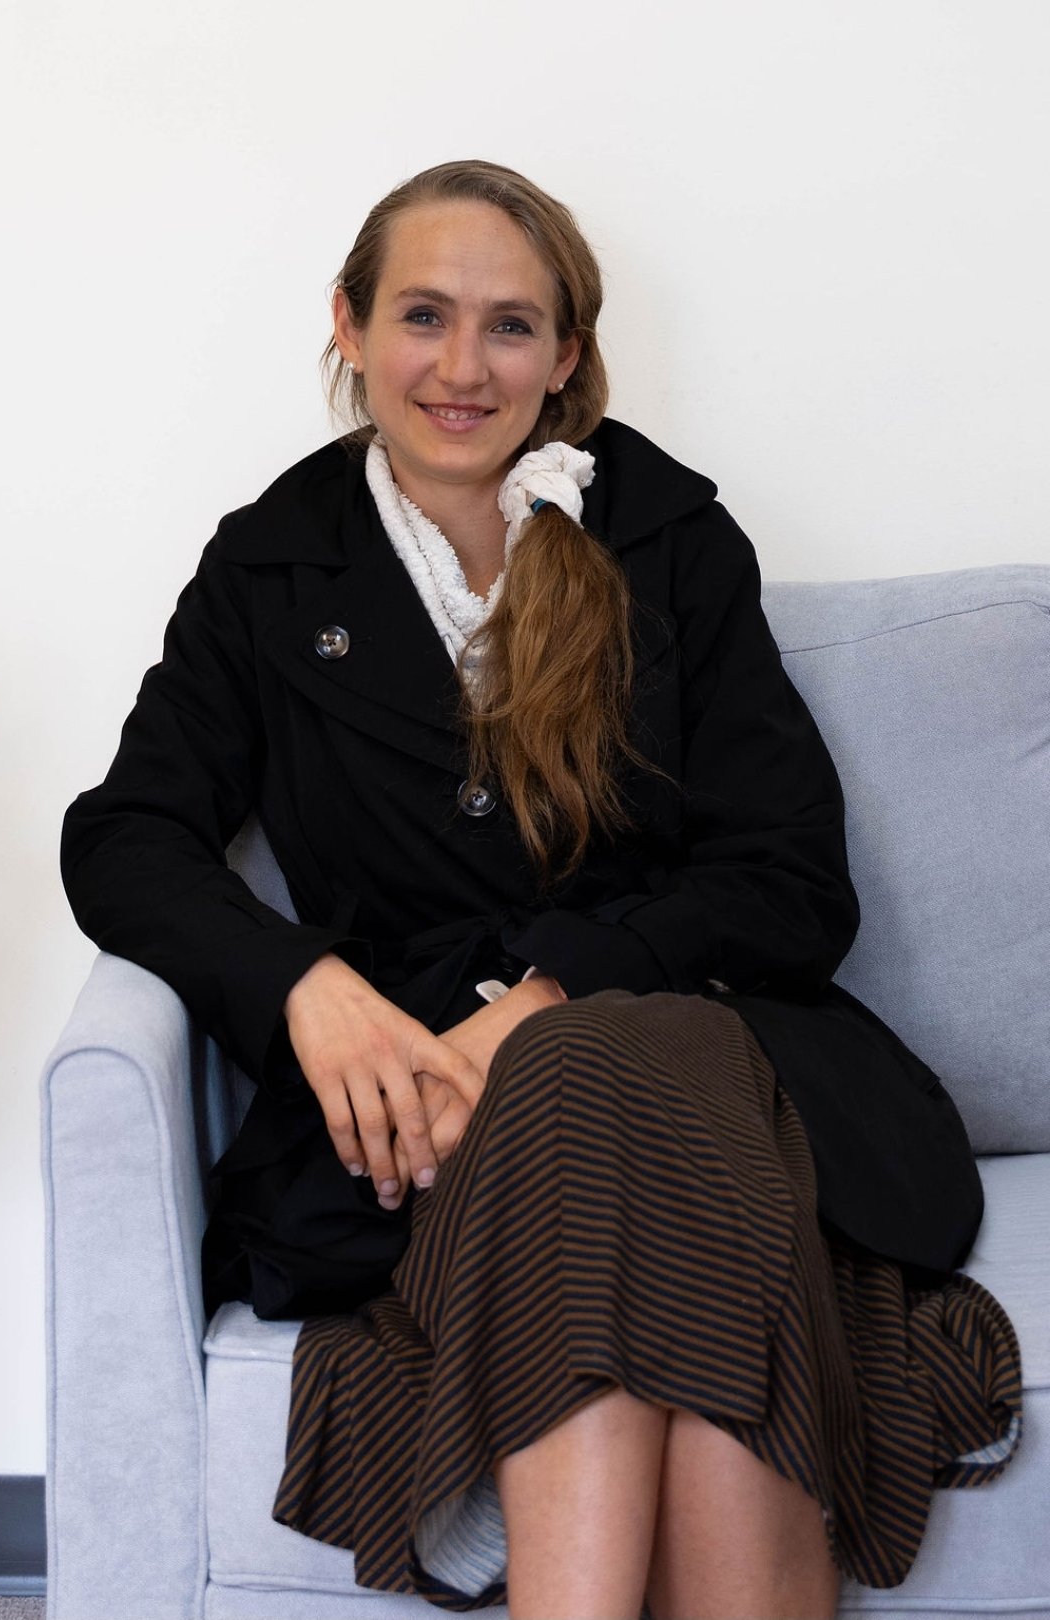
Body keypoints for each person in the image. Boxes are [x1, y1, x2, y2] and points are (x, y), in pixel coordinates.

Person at [61, 159, 1021, 1619]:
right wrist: (307, 990)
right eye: (424, 316)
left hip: (700, 1043)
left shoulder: (668, 540)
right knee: (641, 1174)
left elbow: (786, 878)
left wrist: (553, 996)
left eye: (511, 327)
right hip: (425, 1124)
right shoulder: (268, 570)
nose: (462, 367)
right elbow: (126, 835)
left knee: (599, 1066)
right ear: (350, 325)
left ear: (566, 355)